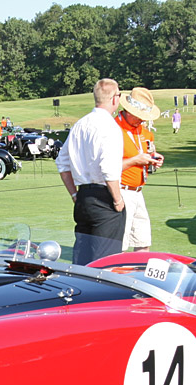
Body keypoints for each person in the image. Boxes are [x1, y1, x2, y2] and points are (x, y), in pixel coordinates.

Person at [56, 78, 126, 264]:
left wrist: (73, 194)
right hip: (104, 197)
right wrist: (118, 200)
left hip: (83, 197)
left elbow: (62, 165)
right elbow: (109, 169)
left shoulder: (80, 125)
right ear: (113, 99)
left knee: (82, 260)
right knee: (106, 263)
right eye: (119, 95)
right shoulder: (110, 127)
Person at [116, 87, 164, 252]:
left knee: (143, 241)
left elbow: (145, 152)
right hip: (120, 190)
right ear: (128, 111)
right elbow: (107, 166)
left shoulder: (145, 133)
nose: (142, 121)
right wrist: (136, 160)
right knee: (120, 244)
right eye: (139, 116)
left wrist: (153, 158)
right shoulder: (113, 129)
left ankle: (138, 275)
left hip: (138, 191)